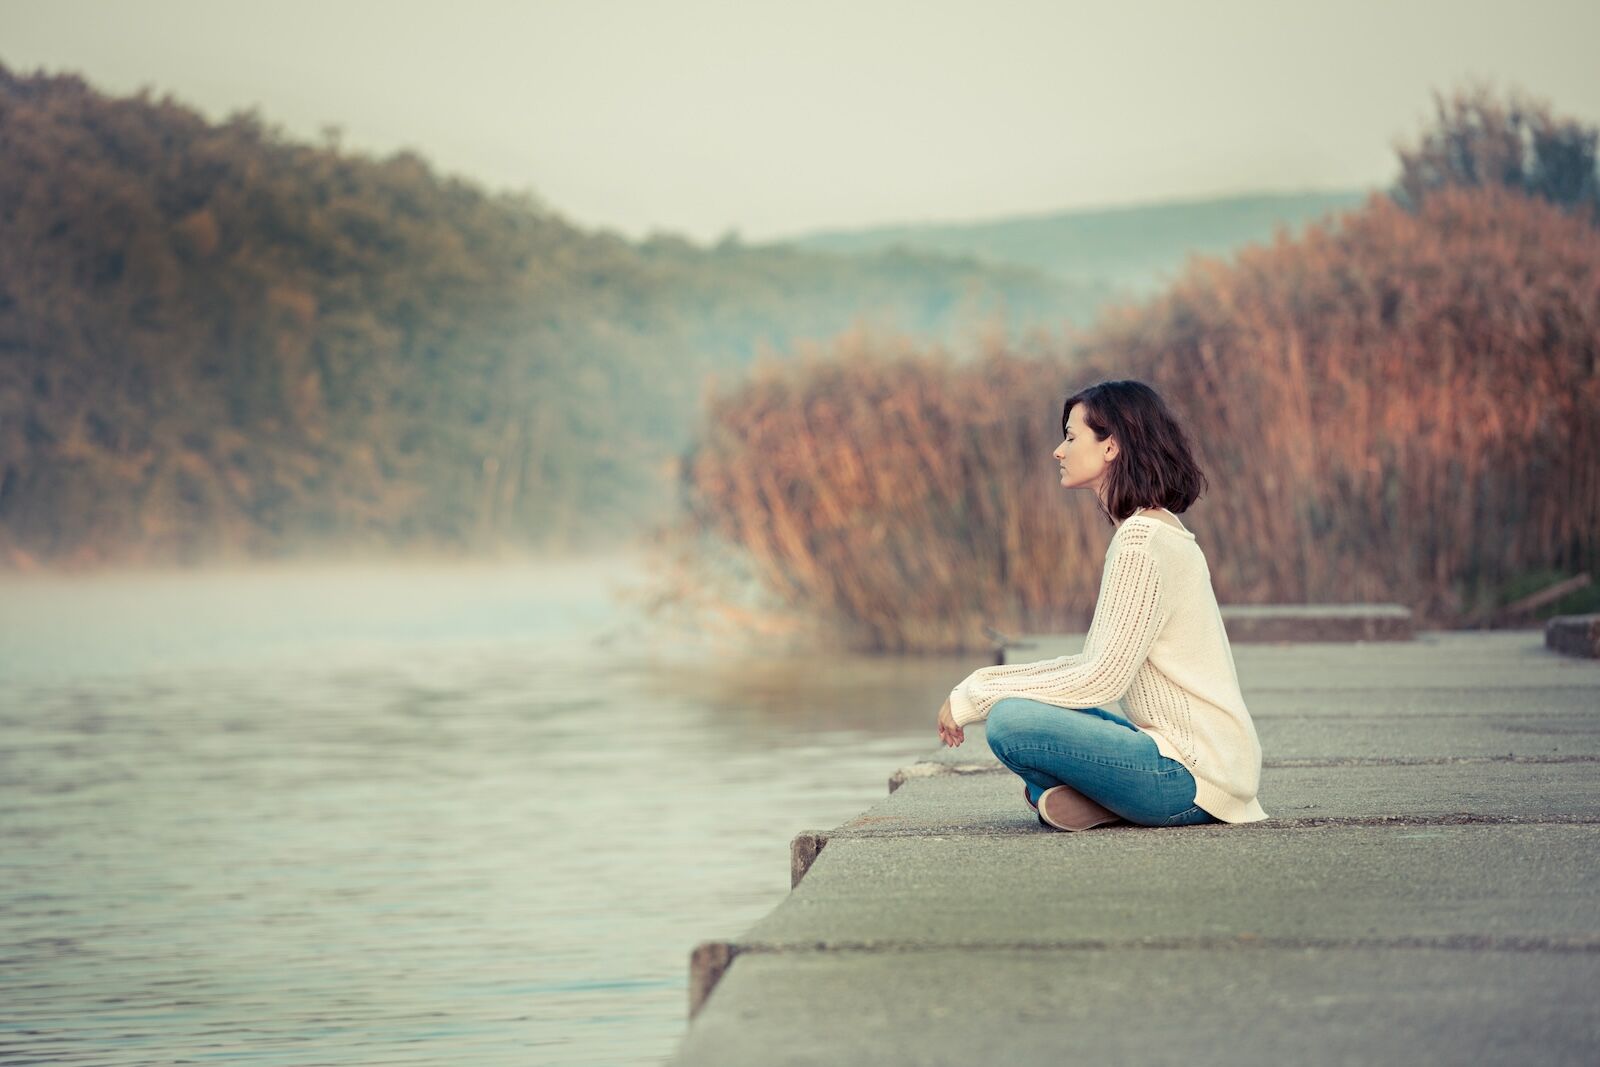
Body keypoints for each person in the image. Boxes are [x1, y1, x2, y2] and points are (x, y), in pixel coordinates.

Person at [935, 379, 1269, 831]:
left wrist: (977, 692)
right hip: (1197, 761)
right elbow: (1101, 666)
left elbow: (1100, 677)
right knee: (1033, 709)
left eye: (1071, 437)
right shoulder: (1158, 529)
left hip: (1190, 777)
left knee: (1010, 721)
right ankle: (1099, 803)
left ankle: (1100, 799)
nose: (1059, 451)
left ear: (1110, 447)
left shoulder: (1141, 541)